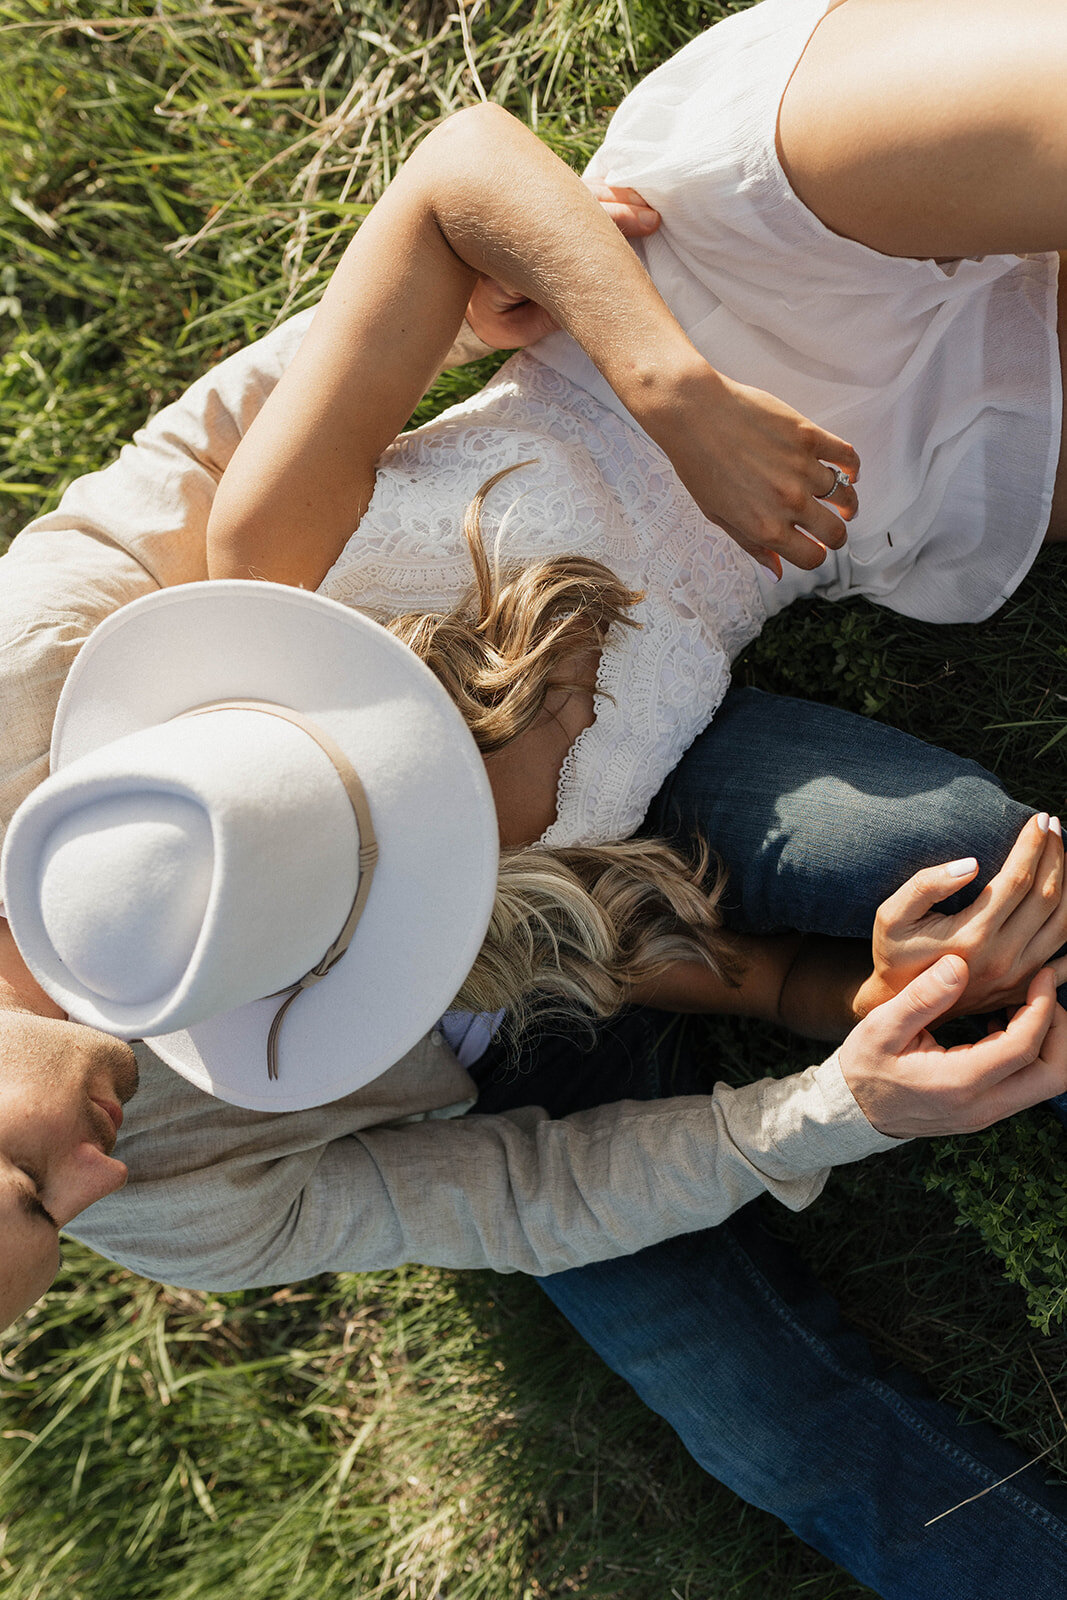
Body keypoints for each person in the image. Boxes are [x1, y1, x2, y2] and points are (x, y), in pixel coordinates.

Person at [3, 0, 1067, 1590]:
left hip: (528, 681)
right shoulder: (161, 1208)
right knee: (765, 1420)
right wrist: (835, 1082)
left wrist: (540, 317)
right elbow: (521, 1190)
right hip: (543, 946)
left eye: (25, 1186)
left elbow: (281, 421)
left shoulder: (65, 655)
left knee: (946, 850)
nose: (97, 1195)